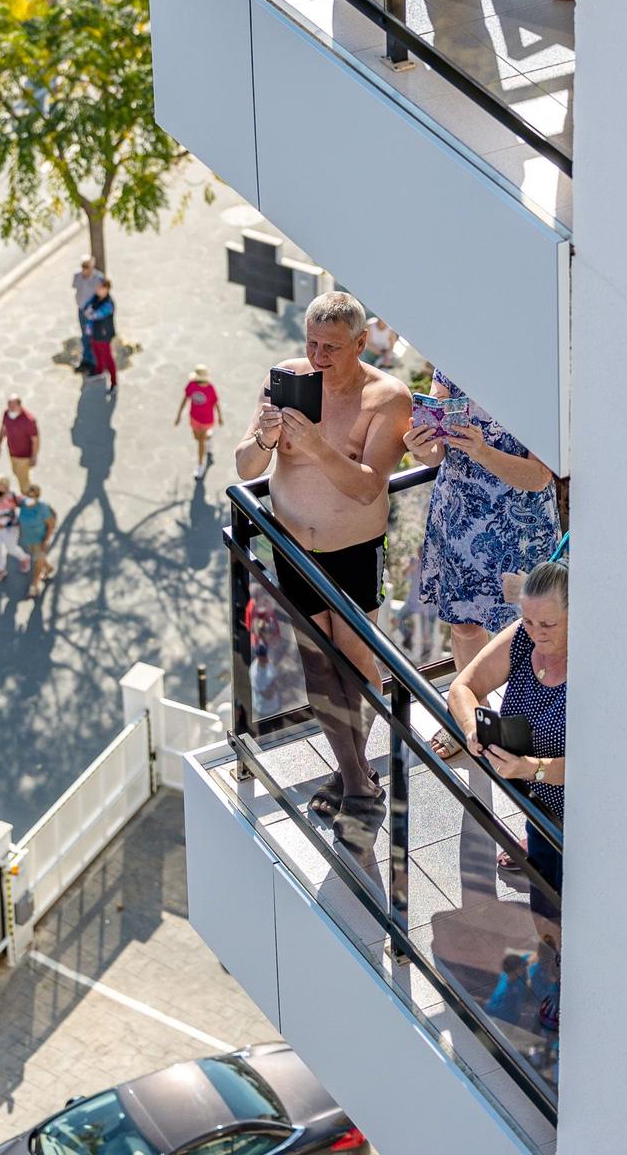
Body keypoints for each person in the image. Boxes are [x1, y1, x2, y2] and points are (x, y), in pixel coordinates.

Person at [234, 292, 412, 849]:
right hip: (293, 546)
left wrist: (312, 445)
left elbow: (365, 488)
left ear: (362, 343)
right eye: (311, 342)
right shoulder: (288, 378)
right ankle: (358, 780)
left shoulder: (386, 398)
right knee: (316, 661)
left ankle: (355, 777)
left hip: (353, 550)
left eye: (331, 347)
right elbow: (244, 466)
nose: (316, 355)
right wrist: (266, 436)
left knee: (357, 660)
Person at [405, 371, 560, 754]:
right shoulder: (452, 366)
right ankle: (475, 720)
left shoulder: (539, 381)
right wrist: (422, 447)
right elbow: (435, 453)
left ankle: (538, 731)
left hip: (519, 527)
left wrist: (481, 450)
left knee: (536, 629)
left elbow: (539, 476)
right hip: (458, 517)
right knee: (463, 624)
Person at [447, 559, 567, 938]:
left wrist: (532, 768)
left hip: (578, 811)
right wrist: (472, 728)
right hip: (538, 804)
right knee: (546, 907)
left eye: (548, 625)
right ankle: (554, 972)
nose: (536, 633)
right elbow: (462, 688)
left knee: (572, 910)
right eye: (529, 621)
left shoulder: (597, 667)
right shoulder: (521, 638)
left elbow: (601, 765)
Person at [175, 363, 222, 481]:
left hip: (206, 420)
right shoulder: (191, 385)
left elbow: (216, 403)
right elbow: (184, 400)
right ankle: (208, 438)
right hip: (194, 418)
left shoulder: (210, 388)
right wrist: (179, 415)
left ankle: (200, 465)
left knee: (200, 442)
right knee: (197, 438)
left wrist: (220, 417)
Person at [0, 474, 29, 585]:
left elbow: (24, 503)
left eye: (2, 486)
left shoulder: (12, 497)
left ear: (7, 487)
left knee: (11, 549)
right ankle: (0, 570)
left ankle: (24, 558)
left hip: (9, 529)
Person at [18, 482, 57, 599]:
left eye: (32, 496)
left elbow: (51, 525)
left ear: (37, 497)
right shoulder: (23, 505)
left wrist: (45, 541)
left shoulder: (43, 509)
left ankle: (34, 585)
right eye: (28, 495)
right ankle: (48, 568)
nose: (29, 498)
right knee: (38, 558)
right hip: (28, 539)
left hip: (40, 540)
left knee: (37, 561)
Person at [81, 275, 118, 391]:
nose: (97, 290)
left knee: (108, 358)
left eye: (100, 288)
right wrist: (88, 311)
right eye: (97, 288)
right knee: (97, 353)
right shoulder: (96, 298)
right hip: (94, 333)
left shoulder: (109, 304)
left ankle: (114, 383)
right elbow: (86, 306)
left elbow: (95, 315)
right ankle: (100, 371)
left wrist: (89, 312)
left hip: (103, 335)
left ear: (106, 289)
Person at [0, 394, 40, 489]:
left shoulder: (29, 420)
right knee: (16, 472)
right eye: (9, 405)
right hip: (12, 453)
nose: (10, 408)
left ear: (19, 405)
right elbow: (3, 429)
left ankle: (28, 496)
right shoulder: (6, 414)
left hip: (24, 456)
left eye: (13, 406)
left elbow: (35, 440)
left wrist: (34, 456)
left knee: (23, 481)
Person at [72, 255, 101, 372]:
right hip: (81, 310)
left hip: (91, 313)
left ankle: (94, 362)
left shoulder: (98, 278)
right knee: (84, 336)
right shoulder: (77, 276)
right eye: (83, 266)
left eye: (87, 266)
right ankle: (85, 360)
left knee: (91, 336)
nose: (85, 269)